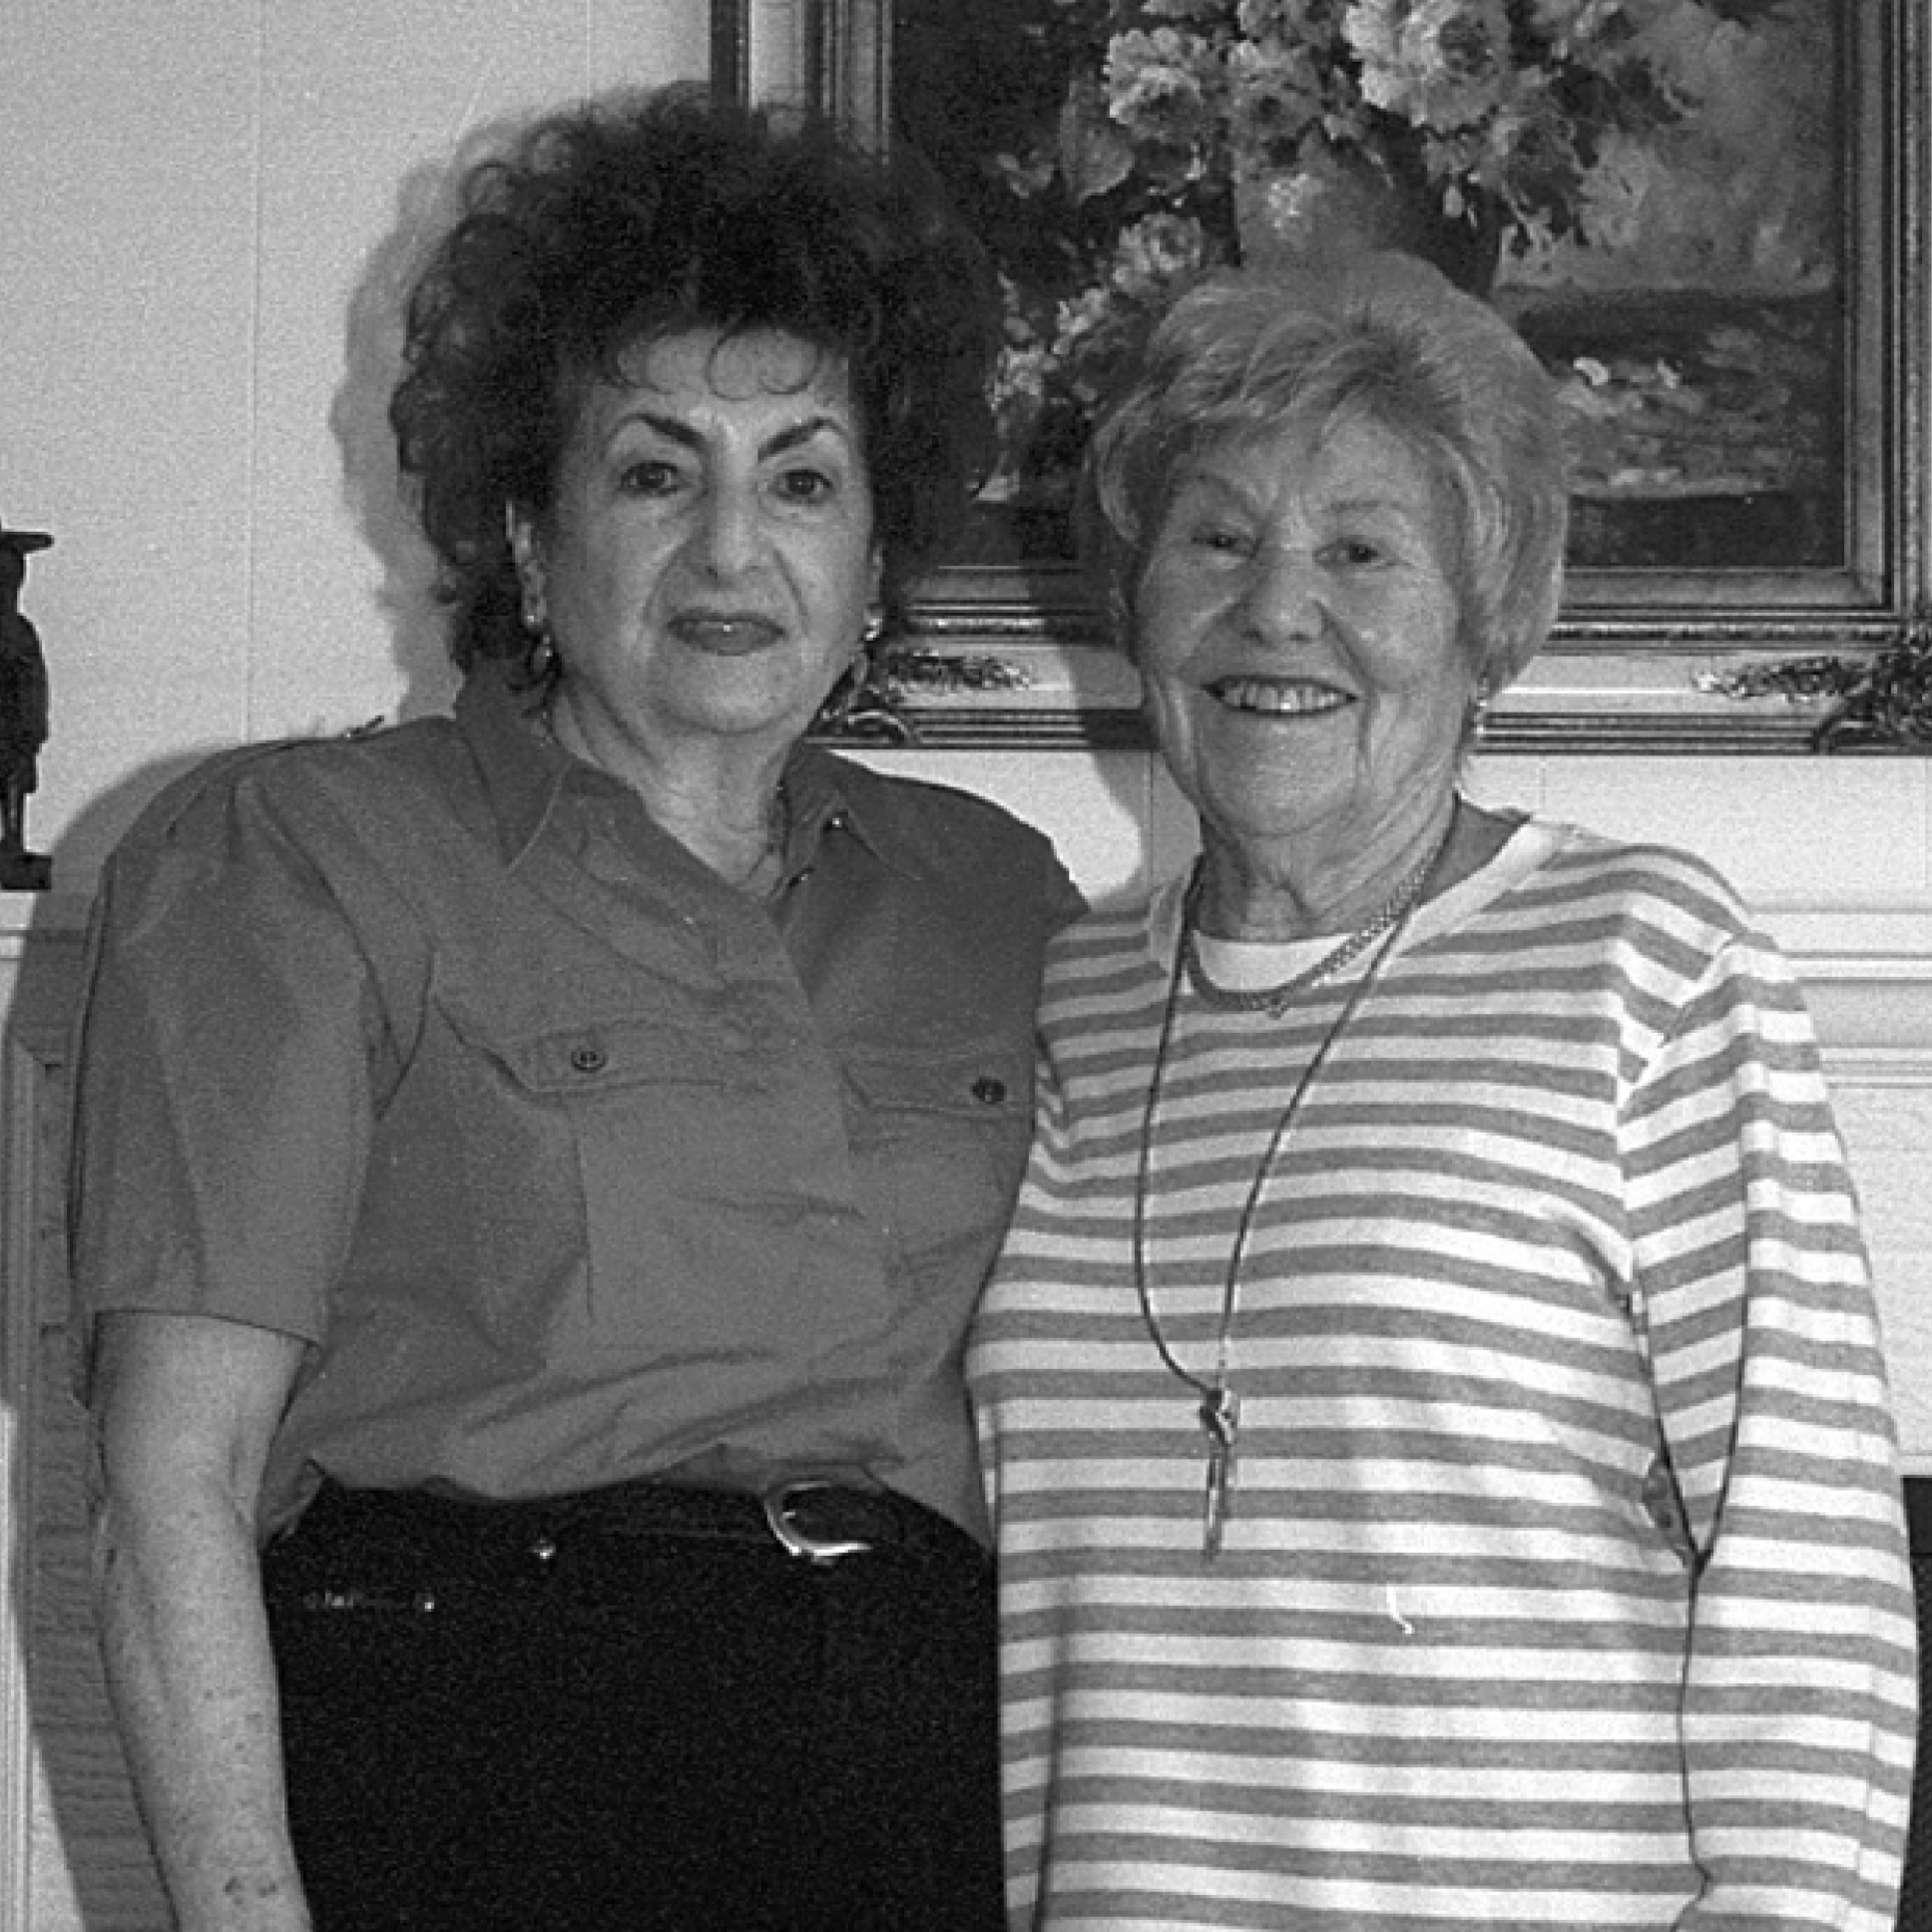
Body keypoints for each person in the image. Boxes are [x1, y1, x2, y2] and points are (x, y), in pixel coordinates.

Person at [71, 87, 1080, 1932]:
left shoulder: (998, 899)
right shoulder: (296, 860)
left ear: (876, 562)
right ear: (531, 536)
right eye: (654, 471)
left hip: (921, 1798)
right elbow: (170, 1481)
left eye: (802, 479)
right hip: (480, 1776)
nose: (732, 548)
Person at [967, 252, 1916, 1929]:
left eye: (1362, 551)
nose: (1278, 610)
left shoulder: (1645, 962)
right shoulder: (1066, 997)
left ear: (1489, 625)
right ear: (1134, 603)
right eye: (1216, 539)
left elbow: (1809, 1575)